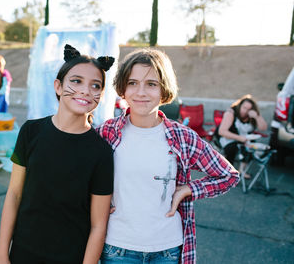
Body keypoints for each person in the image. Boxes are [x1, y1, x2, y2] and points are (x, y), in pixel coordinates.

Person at [96, 48, 240, 264]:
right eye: (133, 83)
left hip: (167, 250)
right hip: (118, 247)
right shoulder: (106, 133)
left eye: (151, 84)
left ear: (164, 90)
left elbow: (228, 175)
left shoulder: (182, 137)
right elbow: (80, 176)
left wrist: (189, 189)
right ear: (123, 89)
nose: (141, 92)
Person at [0, 44, 115, 264]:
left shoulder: (101, 151)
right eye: (76, 81)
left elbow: (99, 224)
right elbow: (13, 195)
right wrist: (2, 254)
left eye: (95, 85)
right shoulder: (30, 131)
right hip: (23, 253)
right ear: (58, 86)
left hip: (71, 256)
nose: (85, 90)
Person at [218, 94, 267, 178]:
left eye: (248, 109)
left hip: (244, 139)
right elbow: (222, 131)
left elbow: (263, 128)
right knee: (233, 147)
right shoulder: (231, 113)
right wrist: (239, 138)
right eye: (244, 108)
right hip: (228, 138)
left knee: (251, 147)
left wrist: (257, 116)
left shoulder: (251, 116)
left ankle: (242, 170)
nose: (245, 111)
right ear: (240, 105)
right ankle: (229, 172)